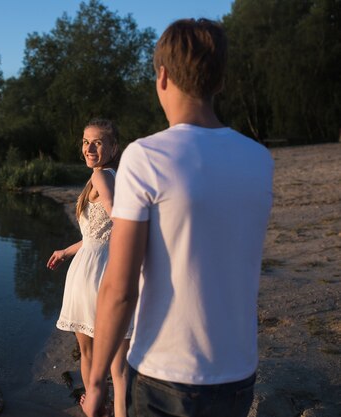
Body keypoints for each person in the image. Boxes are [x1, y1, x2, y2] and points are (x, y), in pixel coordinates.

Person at [82, 18, 274, 417]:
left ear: (163, 77)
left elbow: (119, 287)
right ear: (220, 82)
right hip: (238, 372)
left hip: (164, 374)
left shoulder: (145, 156)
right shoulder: (259, 160)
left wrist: (97, 381)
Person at [48, 118, 132, 417]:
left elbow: (119, 218)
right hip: (106, 265)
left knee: (89, 353)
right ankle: (115, 410)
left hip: (93, 275)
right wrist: (65, 250)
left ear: (113, 147)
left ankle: (95, 406)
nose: (89, 148)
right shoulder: (114, 176)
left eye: (97, 142)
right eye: (85, 142)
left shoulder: (100, 177)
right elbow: (95, 235)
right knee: (117, 364)